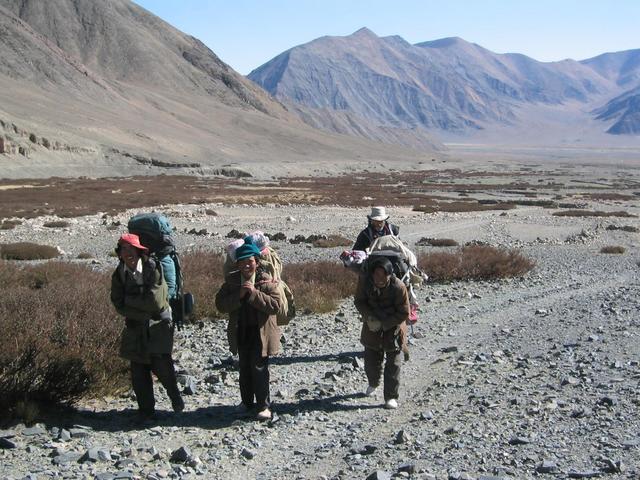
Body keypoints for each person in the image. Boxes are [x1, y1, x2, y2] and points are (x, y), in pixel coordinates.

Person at [110, 233, 184, 420]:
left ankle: (174, 395)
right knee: (138, 367)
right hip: (136, 324)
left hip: (159, 323)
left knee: (161, 364)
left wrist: (131, 303)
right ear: (119, 253)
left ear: (138, 251)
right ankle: (146, 411)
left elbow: (156, 302)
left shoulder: (152, 267)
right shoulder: (119, 273)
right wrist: (141, 309)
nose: (127, 253)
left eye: (131, 249)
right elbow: (118, 304)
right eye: (124, 249)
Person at [215, 237, 282, 420]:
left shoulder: (266, 280)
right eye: (242, 262)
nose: (246, 266)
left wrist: (253, 294)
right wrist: (239, 295)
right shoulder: (232, 281)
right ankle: (246, 403)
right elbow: (220, 305)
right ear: (237, 264)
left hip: (261, 333)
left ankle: (263, 405)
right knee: (244, 368)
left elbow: (275, 305)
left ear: (257, 262)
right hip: (241, 330)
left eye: (250, 261)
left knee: (259, 368)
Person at [354, 256, 410, 409]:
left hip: (394, 328)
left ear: (389, 275)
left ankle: (391, 397)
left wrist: (385, 324)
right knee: (371, 361)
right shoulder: (365, 282)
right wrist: (369, 318)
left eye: (382, 275)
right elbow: (359, 301)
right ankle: (373, 383)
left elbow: (405, 312)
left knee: (394, 363)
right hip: (371, 326)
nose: (378, 278)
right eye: (376, 274)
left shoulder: (399, 287)